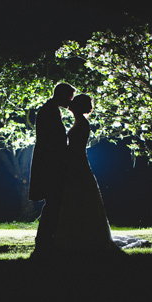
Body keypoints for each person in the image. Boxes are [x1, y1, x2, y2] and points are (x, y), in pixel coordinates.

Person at [53, 94, 123, 254]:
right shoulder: (79, 122)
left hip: (77, 163)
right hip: (76, 162)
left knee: (80, 196)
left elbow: (76, 148)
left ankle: (83, 235)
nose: (69, 103)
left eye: (74, 102)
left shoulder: (82, 124)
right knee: (78, 197)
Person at [28, 82, 75, 256]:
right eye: (69, 98)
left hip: (50, 162)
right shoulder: (50, 111)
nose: (70, 102)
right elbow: (54, 142)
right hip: (50, 164)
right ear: (61, 95)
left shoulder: (51, 110)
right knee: (53, 202)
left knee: (54, 202)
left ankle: (47, 239)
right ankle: (44, 241)